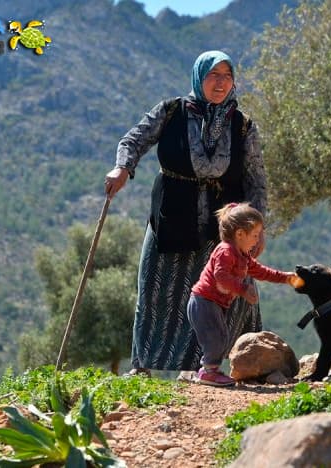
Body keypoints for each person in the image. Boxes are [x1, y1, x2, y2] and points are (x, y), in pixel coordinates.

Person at [104, 50, 269, 376]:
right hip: (173, 213)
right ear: (198, 77)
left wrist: (257, 229)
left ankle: (224, 365)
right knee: (156, 289)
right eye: (212, 75)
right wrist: (122, 167)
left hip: (225, 223)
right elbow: (134, 140)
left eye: (226, 76)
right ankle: (144, 367)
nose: (220, 83)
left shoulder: (243, 126)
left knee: (224, 292)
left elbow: (256, 180)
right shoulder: (171, 112)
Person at [188, 203, 297, 386]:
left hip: (212, 303)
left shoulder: (243, 256)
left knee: (221, 337)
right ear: (239, 234)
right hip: (203, 301)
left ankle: (209, 370)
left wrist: (285, 278)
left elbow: (262, 272)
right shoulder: (226, 251)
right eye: (255, 235)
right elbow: (220, 276)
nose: (257, 240)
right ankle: (208, 372)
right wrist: (243, 289)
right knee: (216, 338)